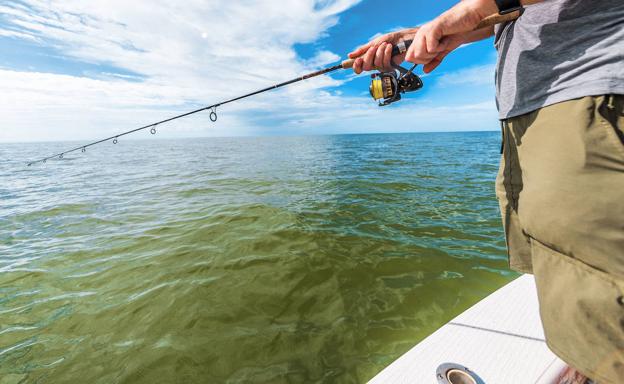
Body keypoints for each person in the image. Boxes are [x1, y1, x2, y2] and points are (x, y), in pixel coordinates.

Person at [349, 0, 624, 383]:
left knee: (603, 280)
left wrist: (467, 11)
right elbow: (513, 12)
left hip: (584, 95)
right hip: (528, 115)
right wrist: (416, 36)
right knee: (568, 276)